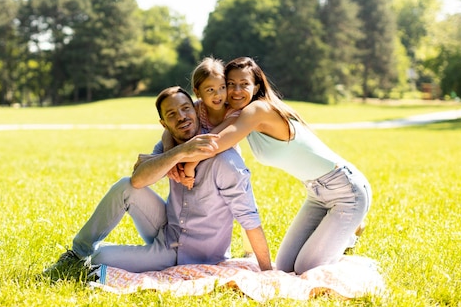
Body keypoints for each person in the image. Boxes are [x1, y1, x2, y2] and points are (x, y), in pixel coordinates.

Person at [42, 86, 272, 280]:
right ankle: (77, 253)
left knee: (99, 259)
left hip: (187, 254)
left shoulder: (225, 161)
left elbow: (250, 218)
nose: (181, 117)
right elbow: (138, 180)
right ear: (164, 124)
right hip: (168, 229)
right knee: (126, 186)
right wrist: (181, 152)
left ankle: (97, 255)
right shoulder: (170, 146)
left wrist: (268, 272)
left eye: (185, 109)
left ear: (196, 110)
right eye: (172, 114)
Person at [188, 57, 371, 275]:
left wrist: (187, 164)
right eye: (230, 84)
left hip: (347, 191)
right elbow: (214, 132)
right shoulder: (240, 114)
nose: (236, 91)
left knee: (306, 269)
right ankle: (344, 230)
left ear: (255, 87)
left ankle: (349, 233)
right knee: (285, 267)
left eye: (244, 84)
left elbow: (215, 144)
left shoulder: (257, 110)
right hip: (317, 194)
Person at [162, 56, 252, 256]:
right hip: (200, 158)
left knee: (241, 204)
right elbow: (168, 130)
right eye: (210, 90)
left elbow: (213, 141)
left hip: (225, 159)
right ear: (197, 92)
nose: (218, 94)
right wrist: (170, 155)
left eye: (221, 87)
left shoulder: (233, 113)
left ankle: (250, 250)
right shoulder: (196, 107)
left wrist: (187, 166)